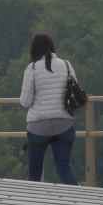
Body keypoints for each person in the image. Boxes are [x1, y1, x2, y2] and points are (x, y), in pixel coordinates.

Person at [19, 32, 79, 185]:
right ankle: (79, 200)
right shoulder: (66, 64)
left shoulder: (32, 68)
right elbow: (75, 92)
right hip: (64, 124)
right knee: (64, 168)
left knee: (35, 174)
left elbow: (25, 102)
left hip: (38, 127)